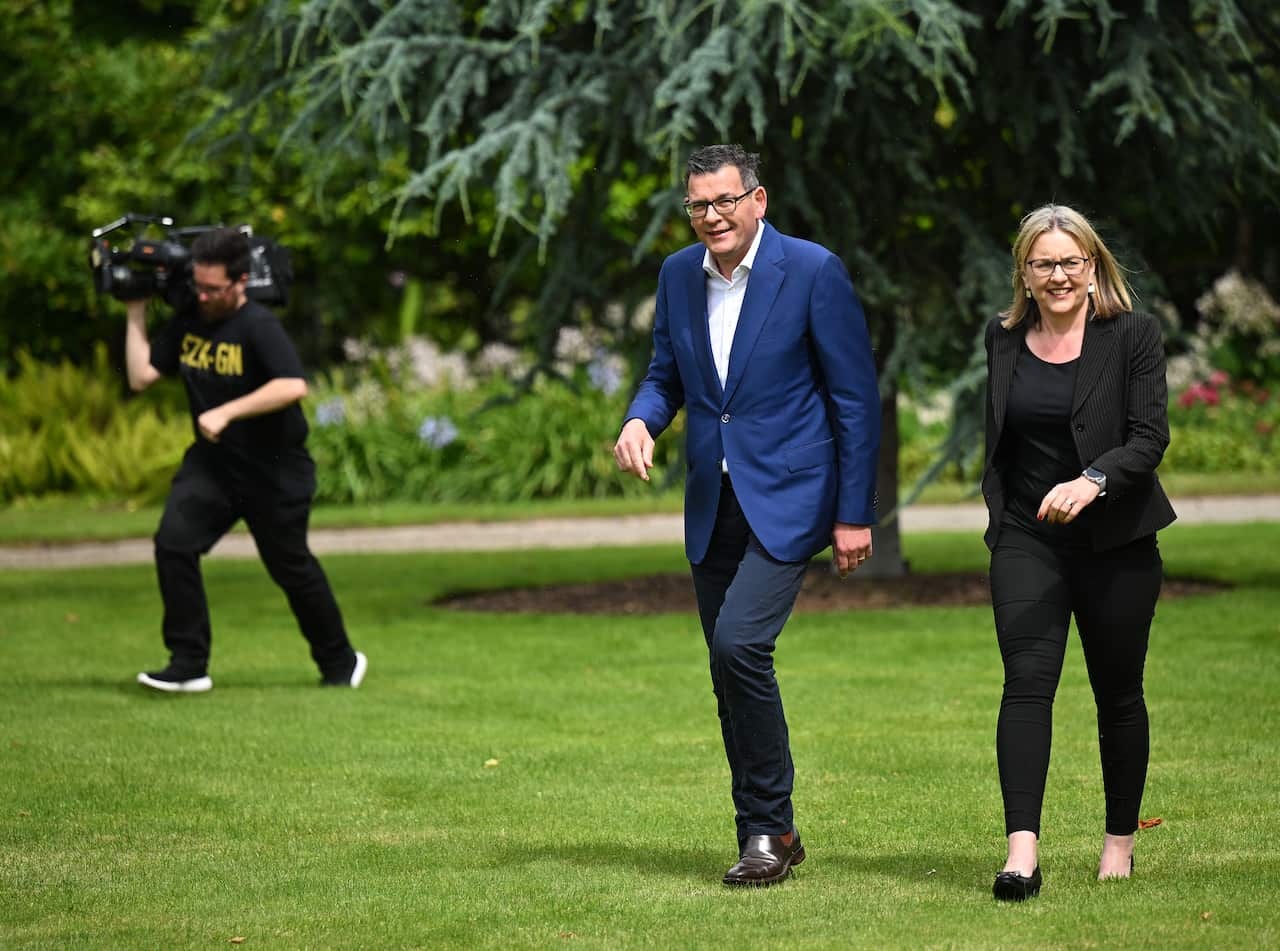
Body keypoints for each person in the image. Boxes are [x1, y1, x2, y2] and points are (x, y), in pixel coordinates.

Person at [613, 144, 880, 886]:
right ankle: (762, 834)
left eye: (725, 200)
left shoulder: (813, 270)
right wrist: (641, 419)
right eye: (698, 204)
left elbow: (854, 398)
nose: (712, 216)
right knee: (725, 672)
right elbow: (664, 374)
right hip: (712, 501)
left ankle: (771, 825)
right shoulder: (676, 275)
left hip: (791, 495)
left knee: (739, 647)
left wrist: (853, 514)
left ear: (758, 200)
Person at [981, 204, 1176, 900]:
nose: (1058, 275)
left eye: (1071, 262)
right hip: (1028, 540)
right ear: (1024, 273)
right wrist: (1000, 519)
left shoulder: (1133, 336)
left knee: (1117, 691)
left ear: (1092, 267)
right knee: (1026, 682)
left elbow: (1149, 438)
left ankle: (1118, 840)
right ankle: (1021, 856)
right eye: (1044, 263)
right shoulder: (1001, 339)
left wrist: (1093, 480)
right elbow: (998, 441)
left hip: (1116, 543)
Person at [124, 227, 366, 693]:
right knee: (173, 545)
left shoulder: (257, 325)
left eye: (214, 288)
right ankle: (188, 663)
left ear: (239, 282)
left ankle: (340, 661)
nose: (204, 295)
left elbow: (293, 385)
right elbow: (141, 377)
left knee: (289, 567)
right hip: (214, 466)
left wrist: (227, 411)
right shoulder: (191, 317)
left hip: (274, 470)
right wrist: (135, 312)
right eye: (199, 285)